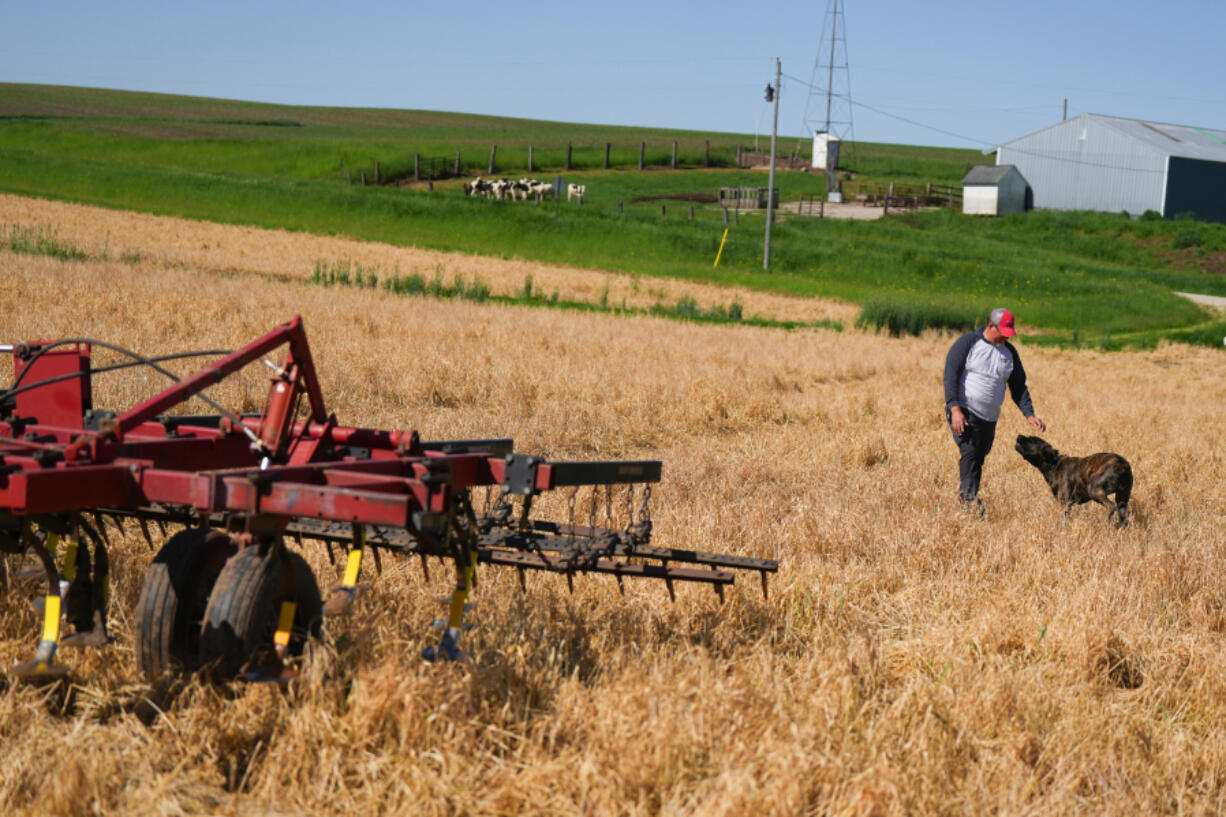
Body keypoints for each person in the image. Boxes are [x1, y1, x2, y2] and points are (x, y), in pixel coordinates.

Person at [943, 307, 1046, 514]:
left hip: (989, 417)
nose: (1006, 338)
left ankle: (967, 499)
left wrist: (1029, 414)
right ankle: (969, 500)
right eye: (1003, 333)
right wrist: (955, 409)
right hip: (965, 409)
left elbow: (1018, 386)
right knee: (970, 451)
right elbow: (950, 375)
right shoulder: (968, 343)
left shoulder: (1009, 353)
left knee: (980, 454)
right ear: (991, 326)